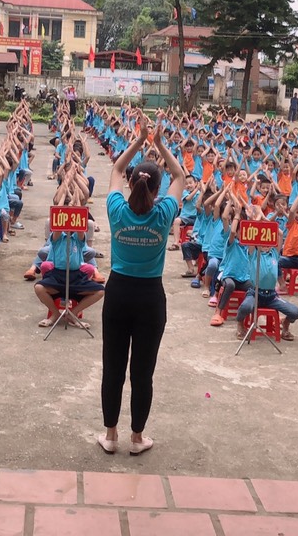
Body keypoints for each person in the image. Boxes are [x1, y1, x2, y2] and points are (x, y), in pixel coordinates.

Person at [98, 120, 184, 456]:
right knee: (142, 372)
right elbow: (180, 177)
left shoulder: (117, 210)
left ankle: (110, 435)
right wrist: (160, 144)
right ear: (157, 189)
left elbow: (117, 167)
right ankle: (137, 439)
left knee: (113, 367)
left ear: (131, 184)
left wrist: (138, 141)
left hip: (118, 293)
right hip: (150, 298)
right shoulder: (163, 214)